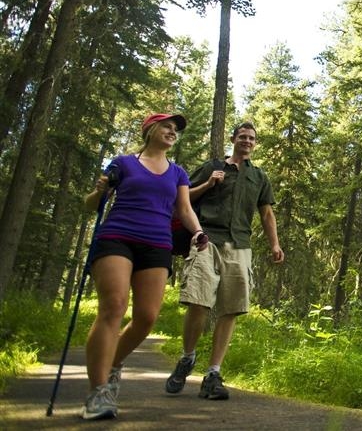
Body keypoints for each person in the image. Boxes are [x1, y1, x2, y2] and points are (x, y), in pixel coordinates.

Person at [80, 113, 209, 420]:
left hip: (157, 243)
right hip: (117, 237)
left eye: (175, 129)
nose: (172, 132)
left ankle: (113, 365)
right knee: (113, 307)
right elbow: (90, 206)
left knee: (147, 318)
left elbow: (184, 208)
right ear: (150, 129)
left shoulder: (177, 172)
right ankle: (98, 392)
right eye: (167, 126)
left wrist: (198, 231)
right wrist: (99, 191)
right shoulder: (123, 164)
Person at [165, 121, 283, 400]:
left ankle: (213, 373)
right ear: (233, 139)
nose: (247, 141)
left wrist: (275, 244)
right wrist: (209, 183)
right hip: (207, 239)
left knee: (231, 308)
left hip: (240, 245)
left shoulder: (259, 176)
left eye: (251, 138)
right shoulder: (212, 167)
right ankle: (187, 357)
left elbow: (266, 214)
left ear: (255, 143)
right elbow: (180, 199)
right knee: (199, 301)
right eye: (242, 136)